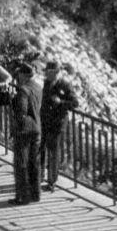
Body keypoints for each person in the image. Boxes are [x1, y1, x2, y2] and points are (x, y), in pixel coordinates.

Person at [39, 60, 79, 191]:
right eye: (47, 73)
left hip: (57, 122)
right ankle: (39, 175)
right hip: (45, 120)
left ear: (56, 73)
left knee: (53, 151)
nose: (48, 75)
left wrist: (61, 102)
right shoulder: (46, 83)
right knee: (41, 148)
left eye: (51, 73)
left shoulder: (65, 85)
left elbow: (75, 103)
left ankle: (52, 181)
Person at [8, 63, 41, 205]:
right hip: (36, 128)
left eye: (19, 74)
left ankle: (22, 196)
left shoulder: (23, 90)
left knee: (21, 164)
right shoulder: (38, 87)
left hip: (24, 131)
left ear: (23, 75)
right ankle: (36, 193)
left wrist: (13, 100)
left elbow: (21, 112)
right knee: (34, 164)